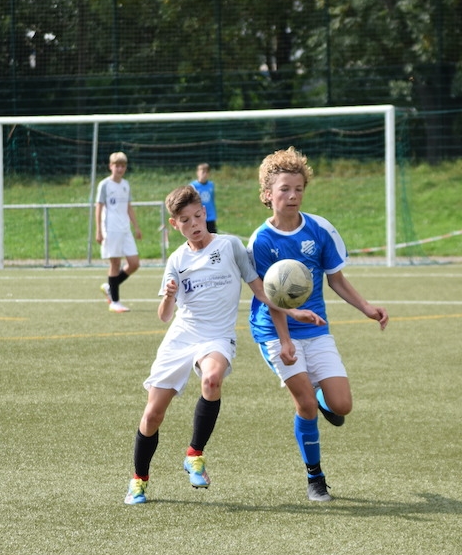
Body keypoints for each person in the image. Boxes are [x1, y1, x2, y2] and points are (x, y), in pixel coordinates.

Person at [125, 185, 323, 505]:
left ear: (205, 212)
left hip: (217, 335)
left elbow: (260, 289)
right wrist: (169, 295)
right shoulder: (176, 260)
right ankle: (139, 480)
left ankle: (194, 455)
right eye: (185, 220)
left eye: (198, 216)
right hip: (182, 335)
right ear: (174, 224)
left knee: (212, 379)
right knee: (152, 415)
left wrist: (292, 311)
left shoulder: (230, 246)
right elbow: (164, 316)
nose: (194, 224)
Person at [247, 147, 389, 503]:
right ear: (268, 194)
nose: (292, 195)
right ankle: (315, 477)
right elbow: (270, 297)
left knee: (341, 405)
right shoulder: (261, 240)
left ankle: (322, 398)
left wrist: (366, 308)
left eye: (298, 189)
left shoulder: (320, 229)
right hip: (274, 331)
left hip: (316, 329)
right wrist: (285, 341)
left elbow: (335, 279)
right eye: (284, 189)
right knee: (306, 405)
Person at [95, 151, 142, 313]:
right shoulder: (104, 185)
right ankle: (114, 302)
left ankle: (110, 287)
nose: (120, 169)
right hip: (111, 229)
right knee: (115, 264)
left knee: (134, 263)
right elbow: (99, 207)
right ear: (111, 166)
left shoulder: (126, 184)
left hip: (125, 229)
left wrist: (136, 227)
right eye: (117, 166)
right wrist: (98, 231)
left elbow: (128, 207)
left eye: (123, 166)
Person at [190, 162, 217, 233]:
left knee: (212, 235)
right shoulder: (193, 186)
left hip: (210, 215)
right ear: (198, 173)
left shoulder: (211, 185)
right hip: (199, 215)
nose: (204, 174)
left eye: (206, 172)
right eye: (202, 172)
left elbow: (212, 198)